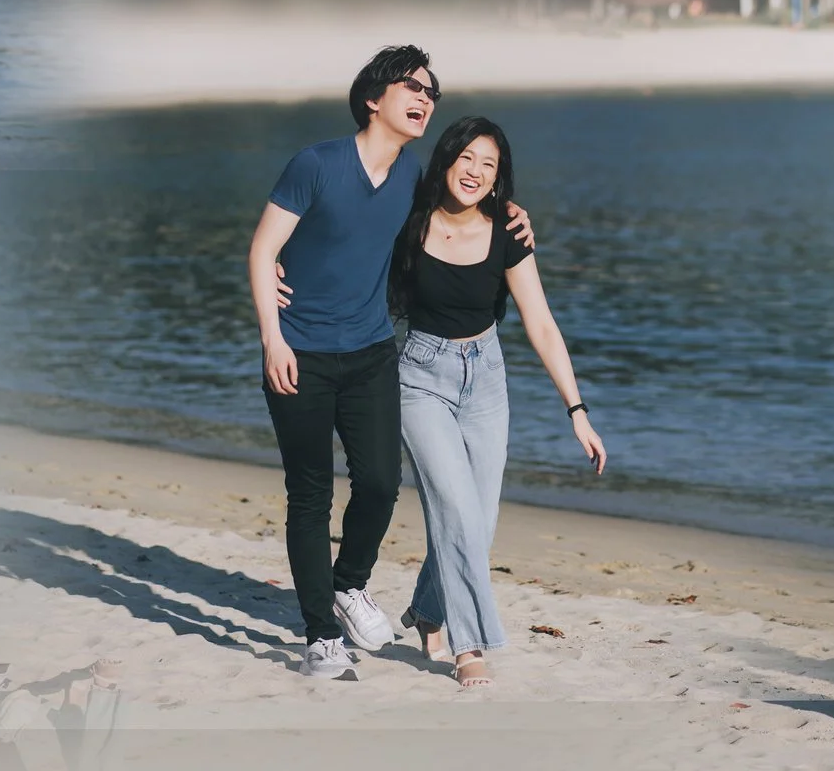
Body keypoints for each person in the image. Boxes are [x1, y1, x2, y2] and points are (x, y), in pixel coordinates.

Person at [282, 116, 607, 688]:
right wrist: (283, 263)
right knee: (455, 509)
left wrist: (575, 409)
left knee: (480, 519)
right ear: (447, 159)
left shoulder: (508, 229)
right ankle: (470, 642)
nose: (477, 172)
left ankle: (429, 611)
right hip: (419, 377)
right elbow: (344, 240)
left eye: (490, 164)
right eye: (468, 158)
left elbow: (541, 321)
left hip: (487, 377)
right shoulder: (408, 220)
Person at [245, 47, 530, 679]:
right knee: (310, 494)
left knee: (379, 483)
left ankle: (348, 586)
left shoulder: (411, 178)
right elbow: (263, 248)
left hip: (373, 352)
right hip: (300, 353)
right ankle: (321, 635)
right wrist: (272, 337)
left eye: (432, 90)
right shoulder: (316, 164)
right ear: (374, 98)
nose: (426, 97)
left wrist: (513, 210)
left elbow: (469, 198)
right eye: (412, 86)